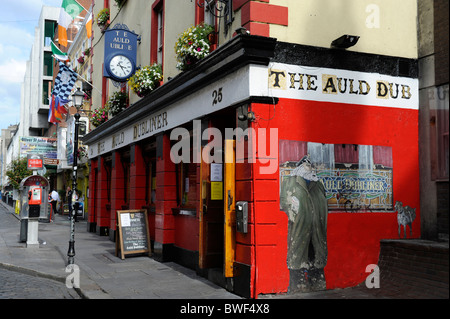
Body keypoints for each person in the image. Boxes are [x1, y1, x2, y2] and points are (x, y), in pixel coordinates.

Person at [280, 155, 328, 293]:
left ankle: (317, 283)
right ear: (300, 167)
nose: (310, 168)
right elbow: (284, 201)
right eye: (307, 165)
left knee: (317, 255)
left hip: (317, 229)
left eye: (311, 165)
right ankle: (298, 286)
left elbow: (323, 202)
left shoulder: (318, 184)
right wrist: (294, 215)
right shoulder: (290, 182)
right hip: (300, 227)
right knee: (298, 256)